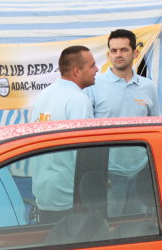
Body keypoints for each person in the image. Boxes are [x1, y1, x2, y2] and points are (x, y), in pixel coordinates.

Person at [85, 29, 159, 216]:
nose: (118, 54)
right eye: (114, 50)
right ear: (108, 54)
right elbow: (85, 132)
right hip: (108, 172)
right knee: (110, 225)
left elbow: (156, 128)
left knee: (139, 225)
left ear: (135, 53)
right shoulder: (94, 85)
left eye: (124, 50)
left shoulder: (148, 87)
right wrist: (96, 171)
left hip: (141, 171)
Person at [31, 45, 96, 222]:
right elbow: (85, 152)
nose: (97, 70)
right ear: (77, 71)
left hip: (44, 191)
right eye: (92, 65)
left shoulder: (43, 95)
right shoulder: (78, 100)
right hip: (68, 195)